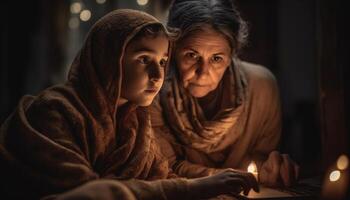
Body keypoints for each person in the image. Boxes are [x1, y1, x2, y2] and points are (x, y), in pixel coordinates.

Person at [0, 9, 258, 200]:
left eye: (162, 61)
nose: (158, 76)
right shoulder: (54, 112)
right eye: (144, 59)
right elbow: (91, 192)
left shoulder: (135, 122)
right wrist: (193, 188)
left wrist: (215, 182)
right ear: (108, 59)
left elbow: (160, 179)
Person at [150, 0, 299, 188]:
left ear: (232, 55)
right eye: (191, 55)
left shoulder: (262, 88)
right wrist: (223, 178)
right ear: (172, 50)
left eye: (216, 58)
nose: (203, 72)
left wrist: (272, 168)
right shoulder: (153, 92)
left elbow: (260, 160)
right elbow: (165, 167)